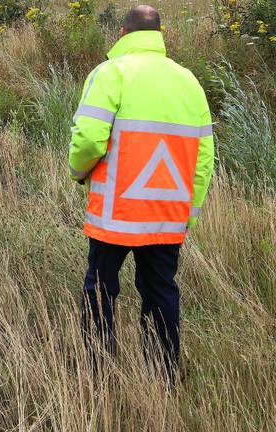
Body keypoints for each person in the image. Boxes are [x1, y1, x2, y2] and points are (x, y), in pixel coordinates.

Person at [68, 5, 214, 383]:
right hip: (167, 216)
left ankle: (97, 374)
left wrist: (77, 172)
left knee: (101, 290)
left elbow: (88, 139)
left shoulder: (111, 73)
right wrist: (188, 213)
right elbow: (204, 160)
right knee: (160, 292)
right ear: (159, 35)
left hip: (115, 215)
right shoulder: (189, 82)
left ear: (122, 34)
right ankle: (162, 376)